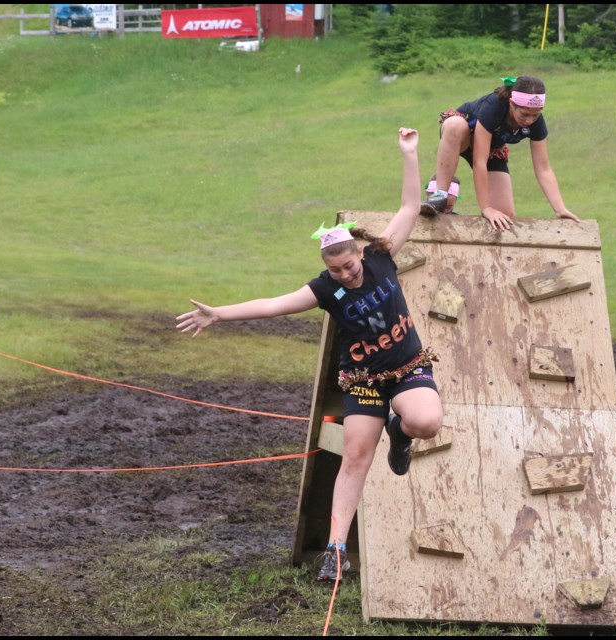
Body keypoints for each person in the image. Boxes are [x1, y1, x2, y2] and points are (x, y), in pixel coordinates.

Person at [176, 128, 443, 582]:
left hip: (407, 368)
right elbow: (271, 305)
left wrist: (410, 154)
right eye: (334, 270)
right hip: (361, 380)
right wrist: (218, 314)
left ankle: (400, 432)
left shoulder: (381, 256)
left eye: (348, 265)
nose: (344, 274)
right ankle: (335, 552)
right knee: (356, 456)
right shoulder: (325, 288)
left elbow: (408, 207)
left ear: (359, 253)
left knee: (427, 423)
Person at [426, 75, 580, 230]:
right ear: (512, 103)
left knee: (504, 218)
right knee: (455, 125)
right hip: (462, 137)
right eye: (524, 114)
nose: (529, 120)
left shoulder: (536, 123)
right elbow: (479, 161)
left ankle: (452, 215)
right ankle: (440, 195)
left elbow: (543, 168)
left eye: (535, 114)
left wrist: (560, 209)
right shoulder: (494, 106)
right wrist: (486, 208)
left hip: (492, 151)